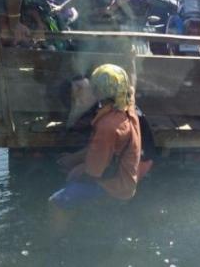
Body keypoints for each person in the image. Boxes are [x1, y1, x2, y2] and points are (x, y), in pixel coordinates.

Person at [48, 64, 142, 234]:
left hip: (114, 187)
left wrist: (75, 169)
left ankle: (57, 245)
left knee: (55, 202)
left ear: (100, 92)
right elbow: (132, 87)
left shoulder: (107, 126)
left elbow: (94, 172)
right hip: (127, 178)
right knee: (74, 171)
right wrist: (131, 61)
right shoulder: (128, 106)